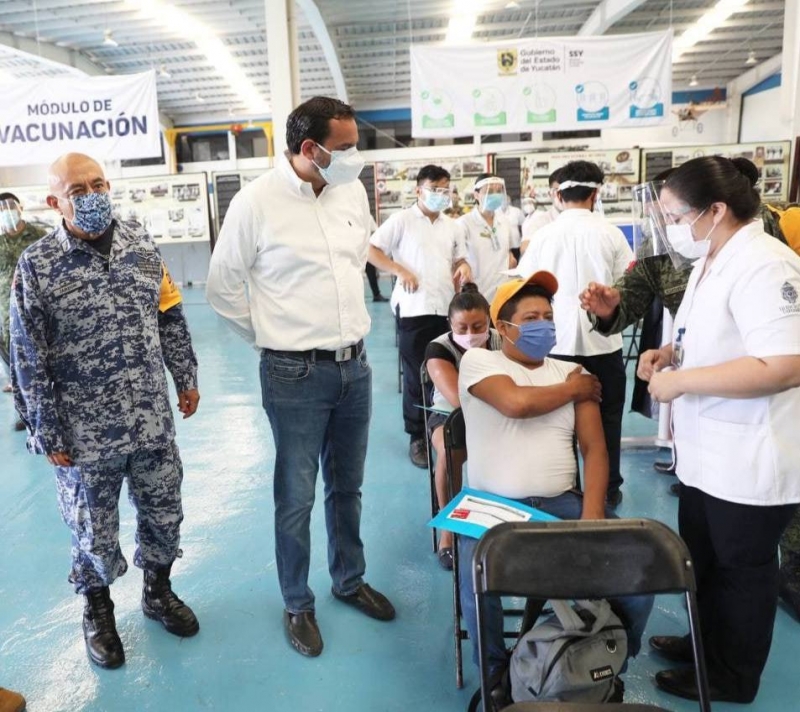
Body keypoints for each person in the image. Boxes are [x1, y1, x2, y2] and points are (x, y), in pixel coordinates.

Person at [206, 96, 395, 659]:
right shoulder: (256, 203)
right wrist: (273, 337)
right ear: (309, 149)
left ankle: (349, 579)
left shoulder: (351, 191)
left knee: (349, 487)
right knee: (295, 495)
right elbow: (222, 288)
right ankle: (297, 602)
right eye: (344, 148)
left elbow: (357, 255)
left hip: (354, 367)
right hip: (294, 373)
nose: (354, 157)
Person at [10, 153, 200, 670]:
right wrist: (47, 431)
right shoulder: (37, 266)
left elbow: (169, 313)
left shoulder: (141, 244)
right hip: (84, 434)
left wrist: (185, 375)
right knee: (91, 530)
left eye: (97, 184)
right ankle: (98, 612)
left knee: (164, 514)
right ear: (54, 202)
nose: (91, 195)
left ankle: (158, 592)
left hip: (151, 421)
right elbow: (28, 356)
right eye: (77, 190)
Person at [637, 156, 800, 703]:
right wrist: (669, 353)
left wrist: (683, 383)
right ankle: (703, 644)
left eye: (677, 215)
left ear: (716, 210)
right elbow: (715, 339)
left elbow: (784, 363)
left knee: (742, 572)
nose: (673, 228)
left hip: (750, 456)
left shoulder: (766, 264)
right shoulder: (714, 258)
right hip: (707, 455)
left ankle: (732, 676)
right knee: (703, 560)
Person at [456, 272, 653, 684]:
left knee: (641, 565)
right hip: (492, 506)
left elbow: (594, 450)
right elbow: (516, 403)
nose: (543, 325)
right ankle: (496, 677)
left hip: (562, 504)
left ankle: (606, 656)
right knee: (477, 567)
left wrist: (594, 514)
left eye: (547, 315)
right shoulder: (480, 362)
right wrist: (575, 389)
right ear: (502, 328)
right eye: (530, 318)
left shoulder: (570, 370)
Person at [517, 160, 633, 506]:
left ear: (558, 194)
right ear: (596, 194)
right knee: (608, 418)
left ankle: (570, 488)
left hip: (556, 346)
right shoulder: (611, 233)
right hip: (604, 343)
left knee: (561, 423)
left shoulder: (543, 236)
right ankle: (608, 488)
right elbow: (627, 285)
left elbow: (525, 283)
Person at [368, 164, 472, 468]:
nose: (441, 195)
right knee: (417, 375)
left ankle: (443, 427)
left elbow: (460, 258)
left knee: (446, 373)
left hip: (446, 309)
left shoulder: (453, 226)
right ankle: (417, 436)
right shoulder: (402, 220)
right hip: (414, 309)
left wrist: (463, 266)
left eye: (445, 189)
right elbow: (371, 250)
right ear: (419, 190)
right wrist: (400, 270)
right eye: (434, 189)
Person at [423, 283, 502, 569]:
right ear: (450, 325)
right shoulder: (439, 349)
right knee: (448, 450)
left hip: (496, 409)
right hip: (450, 415)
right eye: (462, 328)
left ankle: (504, 521)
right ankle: (449, 530)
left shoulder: (502, 340)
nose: (471, 335)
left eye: (478, 326)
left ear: (490, 320)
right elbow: (458, 399)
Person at [0, 193, 48, 419]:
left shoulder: (38, 236)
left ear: (20, 207)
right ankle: (26, 415)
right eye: (1, 208)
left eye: (10, 206)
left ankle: (44, 411)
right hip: (5, 310)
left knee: (39, 356)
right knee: (13, 360)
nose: (6, 211)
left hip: (35, 306)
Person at [457, 174, 516, 303]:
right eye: (489, 191)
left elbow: (508, 252)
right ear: (476, 195)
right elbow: (457, 258)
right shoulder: (464, 224)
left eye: (498, 191)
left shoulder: (504, 222)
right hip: (476, 292)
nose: (495, 195)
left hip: (502, 292)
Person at [519, 169, 562, 254]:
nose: (562, 196)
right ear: (550, 194)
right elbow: (524, 247)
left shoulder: (584, 217)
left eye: (567, 191)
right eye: (556, 191)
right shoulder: (541, 220)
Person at [498, 196, 525, 262]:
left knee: (516, 263)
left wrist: (523, 239)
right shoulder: (494, 212)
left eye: (506, 200)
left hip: (515, 244)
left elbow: (523, 225)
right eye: (502, 200)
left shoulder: (516, 211)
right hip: (501, 246)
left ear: (509, 201)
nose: (504, 201)